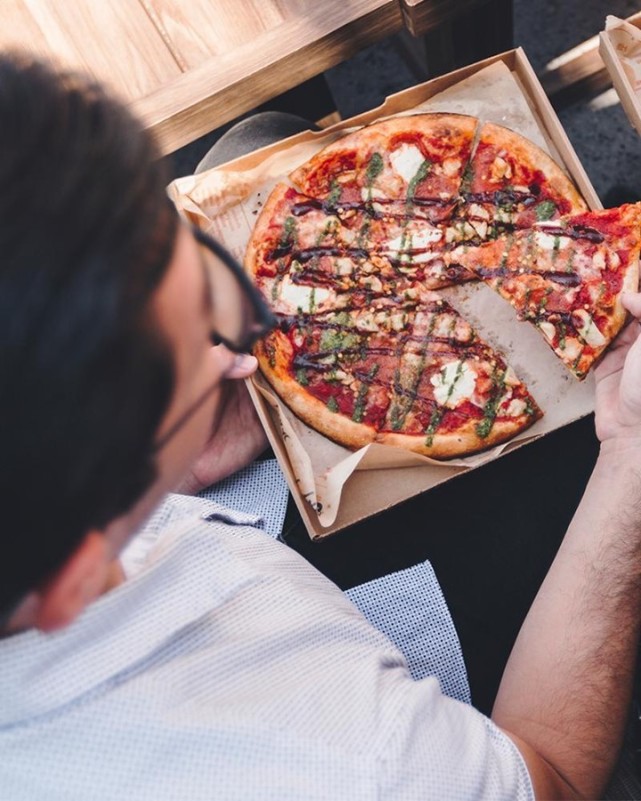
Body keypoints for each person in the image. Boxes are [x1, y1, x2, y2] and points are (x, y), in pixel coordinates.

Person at [0, 53, 640, 801]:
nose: (241, 342)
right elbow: (549, 782)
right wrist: (628, 462)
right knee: (566, 470)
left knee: (261, 137)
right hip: (448, 701)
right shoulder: (325, 753)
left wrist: (158, 460)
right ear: (76, 574)